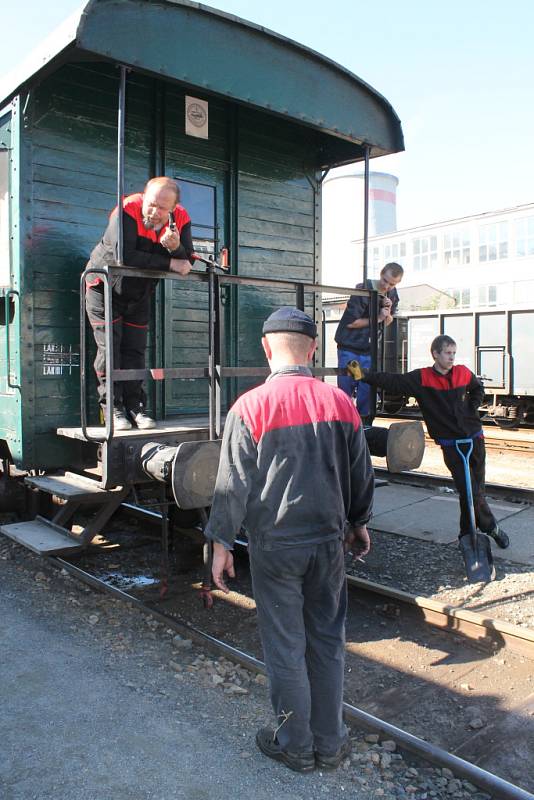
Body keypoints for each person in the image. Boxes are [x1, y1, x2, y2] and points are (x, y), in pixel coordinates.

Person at [204, 307, 374, 773]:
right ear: (313, 350)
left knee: (285, 646)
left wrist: (220, 544)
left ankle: (294, 744)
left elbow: (230, 484)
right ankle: (331, 742)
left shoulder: (249, 407)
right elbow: (362, 474)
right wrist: (359, 521)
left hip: (275, 547)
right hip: (328, 543)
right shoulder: (341, 403)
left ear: (266, 349)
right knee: (326, 640)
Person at [351, 334, 510, 551]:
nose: (451, 357)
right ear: (435, 354)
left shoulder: (463, 372)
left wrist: (471, 406)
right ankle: (490, 526)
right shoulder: (422, 378)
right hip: (451, 444)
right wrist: (363, 375)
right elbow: (392, 381)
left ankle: (466, 534)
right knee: (469, 489)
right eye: (447, 353)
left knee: (475, 490)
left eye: (454, 353)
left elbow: (477, 388)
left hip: (474, 439)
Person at [85, 177, 194, 430]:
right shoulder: (126, 209)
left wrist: (176, 248)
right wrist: (170, 262)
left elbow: (187, 261)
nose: (155, 213)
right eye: (152, 204)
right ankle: (112, 408)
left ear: (174, 209)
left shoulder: (182, 218)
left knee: (135, 351)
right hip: (103, 287)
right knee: (109, 349)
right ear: (144, 197)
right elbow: (125, 255)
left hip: (140, 290)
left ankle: (136, 407)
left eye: (163, 209)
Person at [335, 262, 404, 420]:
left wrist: (387, 314)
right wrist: (378, 317)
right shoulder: (362, 290)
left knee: (367, 389)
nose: (387, 286)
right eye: (385, 281)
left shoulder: (392, 295)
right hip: (351, 348)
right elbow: (351, 323)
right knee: (349, 386)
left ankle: (365, 426)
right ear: (380, 274)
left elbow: (387, 321)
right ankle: (345, 422)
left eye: (392, 284)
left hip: (369, 349)